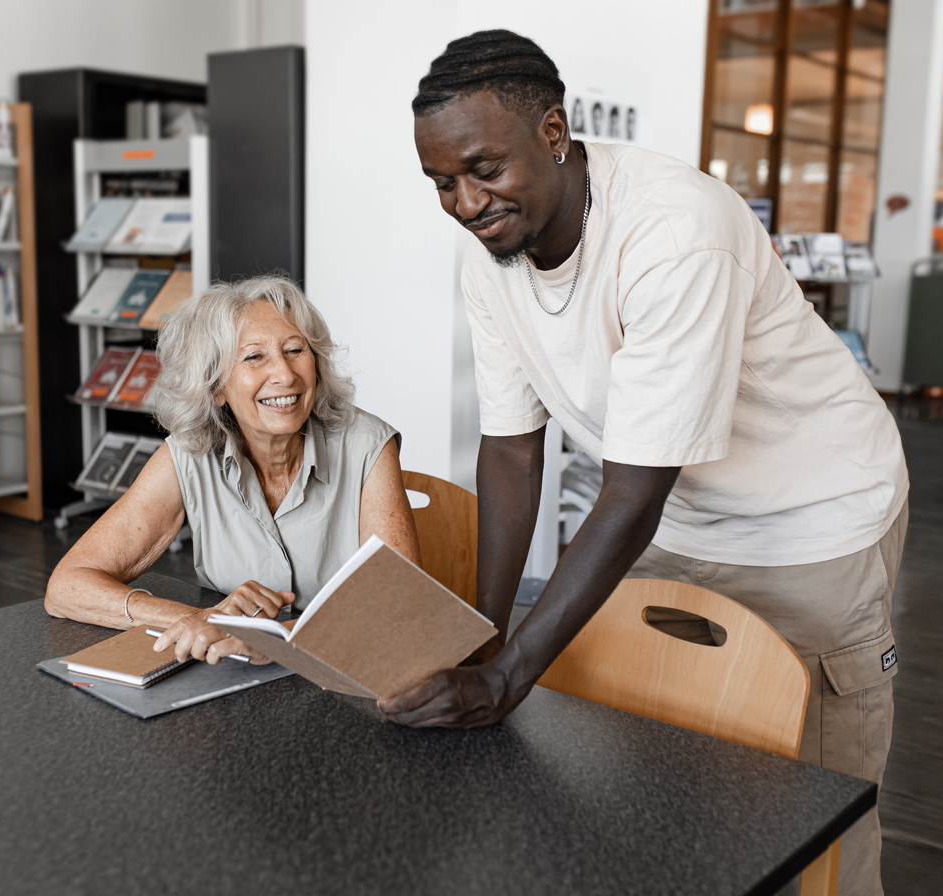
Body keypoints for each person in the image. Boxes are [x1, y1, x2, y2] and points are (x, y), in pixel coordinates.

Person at [382, 29, 907, 896]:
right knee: (654, 783)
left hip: (809, 521)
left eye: (484, 168)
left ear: (554, 132)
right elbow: (511, 450)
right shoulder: (492, 256)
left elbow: (631, 492)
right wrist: (484, 639)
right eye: (442, 183)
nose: (467, 203)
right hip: (679, 514)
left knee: (811, 819)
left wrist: (509, 679)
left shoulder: (674, 231)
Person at [46, 276, 420, 665]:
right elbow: (67, 586)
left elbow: (399, 601)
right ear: (216, 386)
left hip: (346, 666)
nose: (285, 375)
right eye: (254, 357)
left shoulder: (367, 444)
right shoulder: (189, 454)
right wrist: (201, 621)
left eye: (295, 350)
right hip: (233, 670)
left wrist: (274, 640)